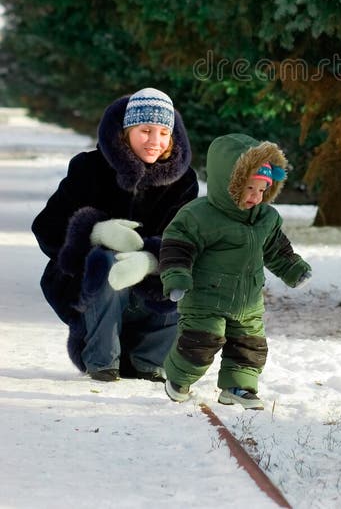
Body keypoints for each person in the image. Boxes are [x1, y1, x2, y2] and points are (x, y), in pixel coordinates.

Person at [32, 87, 199, 382]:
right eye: (145, 130)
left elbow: (187, 241)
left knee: (185, 273)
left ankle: (151, 361)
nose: (154, 141)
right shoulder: (88, 168)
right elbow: (46, 227)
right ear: (126, 131)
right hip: (92, 293)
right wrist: (94, 233)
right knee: (105, 262)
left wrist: (151, 260)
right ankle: (102, 360)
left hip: (149, 297)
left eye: (163, 133)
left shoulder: (183, 181)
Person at [159, 133, 312, 409]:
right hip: (206, 299)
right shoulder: (199, 216)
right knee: (200, 343)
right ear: (230, 184)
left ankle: (238, 388)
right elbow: (177, 246)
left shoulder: (267, 218)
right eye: (250, 188)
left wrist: (293, 269)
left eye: (263, 190)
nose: (256, 197)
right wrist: (177, 276)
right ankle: (178, 378)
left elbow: (277, 249)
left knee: (250, 347)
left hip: (248, 299)